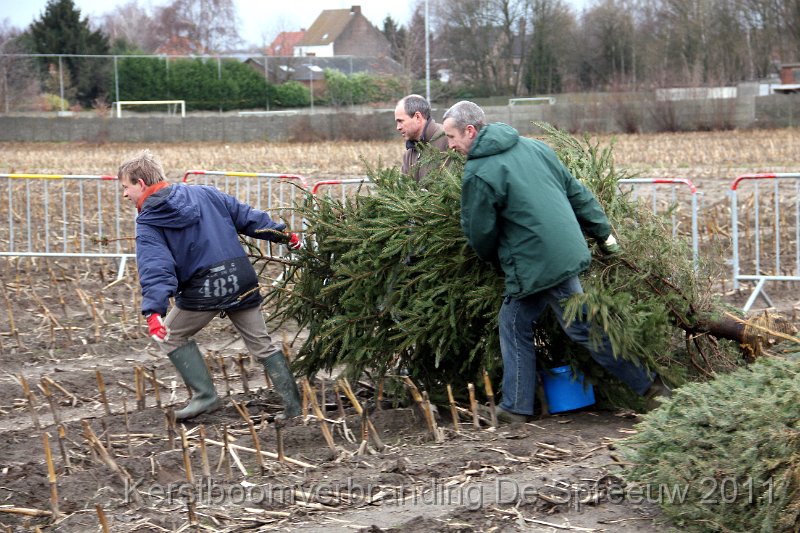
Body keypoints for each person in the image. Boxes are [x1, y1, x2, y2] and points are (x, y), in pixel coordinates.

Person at [441, 101, 671, 422]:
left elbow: (480, 232)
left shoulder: (479, 172)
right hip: (565, 250)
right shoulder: (534, 147)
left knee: (583, 327)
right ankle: (516, 406)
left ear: (470, 131)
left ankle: (653, 389)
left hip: (538, 262)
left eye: (452, 137)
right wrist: (604, 234)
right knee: (515, 321)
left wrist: (490, 259)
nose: (450, 145)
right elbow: (576, 192)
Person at [118, 149, 302, 421]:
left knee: (170, 335)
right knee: (262, 344)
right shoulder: (205, 193)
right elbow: (248, 217)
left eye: (125, 187)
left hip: (205, 288)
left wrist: (153, 312)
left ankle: (206, 397)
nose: (124, 194)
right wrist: (285, 236)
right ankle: (294, 407)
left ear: (141, 184)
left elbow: (156, 266)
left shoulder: (149, 222)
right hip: (241, 278)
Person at [394, 94, 450, 182]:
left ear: (417, 117)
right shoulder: (409, 153)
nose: (398, 127)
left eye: (400, 121)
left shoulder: (449, 140)